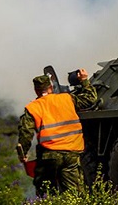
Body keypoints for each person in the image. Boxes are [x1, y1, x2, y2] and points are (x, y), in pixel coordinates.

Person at [17, 68, 97, 197]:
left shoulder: (33, 108)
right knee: (74, 194)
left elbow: (26, 133)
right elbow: (90, 99)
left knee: (47, 192)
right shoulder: (67, 99)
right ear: (51, 87)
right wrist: (84, 81)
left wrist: (23, 154)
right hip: (72, 153)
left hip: (49, 156)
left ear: (36, 90)